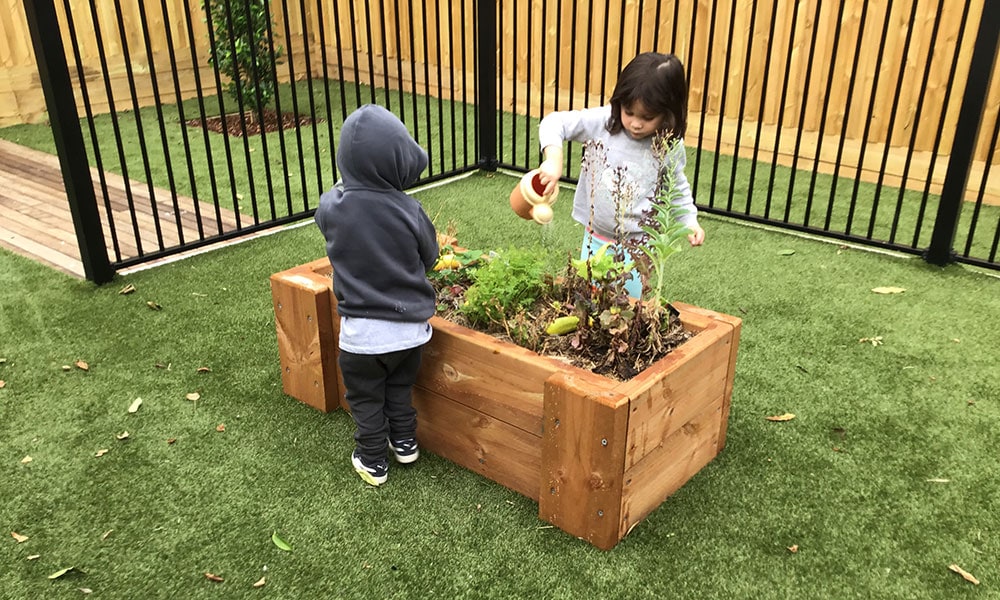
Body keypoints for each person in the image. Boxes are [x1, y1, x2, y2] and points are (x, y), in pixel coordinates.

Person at [314, 104, 439, 486]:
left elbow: (326, 218)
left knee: (367, 399)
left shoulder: (331, 206)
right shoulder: (409, 209)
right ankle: (404, 443)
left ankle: (373, 460)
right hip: (410, 333)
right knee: (399, 388)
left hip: (362, 338)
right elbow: (430, 256)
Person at [536, 52, 705, 298]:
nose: (636, 123)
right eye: (629, 112)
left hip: (638, 245)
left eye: (647, 117)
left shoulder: (667, 144)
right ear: (619, 102)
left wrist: (689, 221)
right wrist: (553, 161)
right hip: (595, 236)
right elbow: (553, 123)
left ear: (668, 113)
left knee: (627, 307)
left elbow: (676, 186)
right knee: (590, 300)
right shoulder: (604, 122)